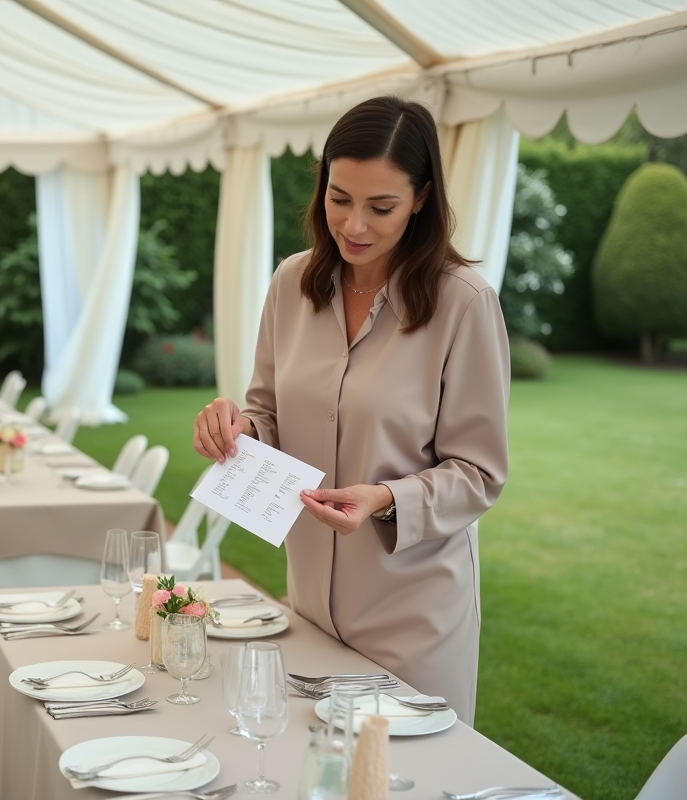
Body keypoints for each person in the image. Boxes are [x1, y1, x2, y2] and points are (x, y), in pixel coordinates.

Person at [193, 96, 509, 723]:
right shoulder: (291, 283)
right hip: (308, 605)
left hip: (413, 620)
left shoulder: (464, 305)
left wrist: (384, 499)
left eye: (381, 206)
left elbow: (479, 474)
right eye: (340, 198)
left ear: (421, 199)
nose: (355, 225)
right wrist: (239, 427)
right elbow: (266, 412)